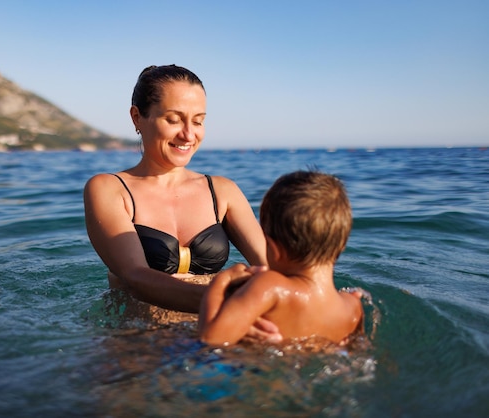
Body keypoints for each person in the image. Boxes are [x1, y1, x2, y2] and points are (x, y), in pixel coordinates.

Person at [83, 64, 268, 315]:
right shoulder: (109, 189)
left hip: (213, 334)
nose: (189, 135)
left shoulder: (224, 192)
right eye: (173, 120)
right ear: (137, 117)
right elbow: (135, 278)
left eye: (198, 121)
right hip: (139, 341)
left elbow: (270, 268)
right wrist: (228, 300)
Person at [199, 170, 364, 346]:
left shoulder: (271, 286)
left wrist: (222, 281)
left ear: (274, 248)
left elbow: (210, 338)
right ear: (342, 244)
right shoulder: (353, 307)